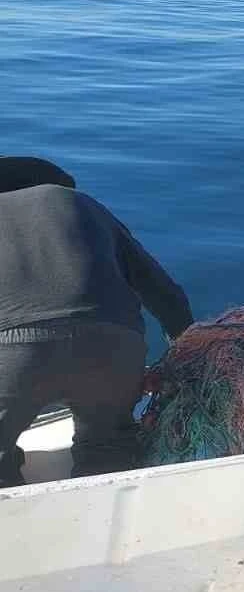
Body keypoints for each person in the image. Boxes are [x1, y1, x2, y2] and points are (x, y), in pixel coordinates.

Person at [0, 158, 193, 486]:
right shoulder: (86, 206)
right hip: (115, 348)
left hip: (16, 353)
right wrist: (184, 366)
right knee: (108, 452)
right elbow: (166, 295)